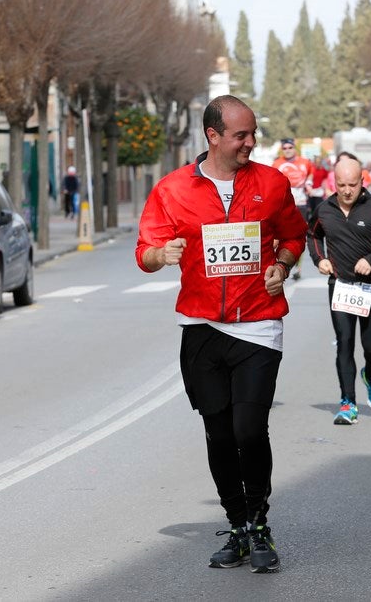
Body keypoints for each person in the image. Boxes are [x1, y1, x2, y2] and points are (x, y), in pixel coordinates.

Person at [135, 95, 307, 574]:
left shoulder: (271, 184)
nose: (250, 143)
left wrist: (283, 264)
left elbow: (295, 235)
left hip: (258, 323)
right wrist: (160, 255)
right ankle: (237, 524)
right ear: (213, 136)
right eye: (241, 136)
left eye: (253, 134)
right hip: (201, 327)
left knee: (250, 430)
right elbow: (144, 252)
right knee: (218, 432)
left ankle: (260, 522)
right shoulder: (173, 190)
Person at [306, 157, 371, 425]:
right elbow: (313, 235)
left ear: (362, 181)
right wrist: (319, 259)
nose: (347, 190)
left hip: (370, 287)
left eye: (352, 184)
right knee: (344, 343)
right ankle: (347, 402)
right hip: (340, 286)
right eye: (341, 185)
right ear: (333, 183)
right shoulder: (325, 210)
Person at [272, 138, 313, 279]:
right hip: (283, 204)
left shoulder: (305, 162)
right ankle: (281, 263)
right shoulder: (277, 164)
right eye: (285, 148)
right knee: (280, 237)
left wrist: (309, 183)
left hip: (300, 203)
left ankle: (297, 268)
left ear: (294, 148)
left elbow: (311, 173)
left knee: (299, 237)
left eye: (290, 147)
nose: (288, 150)